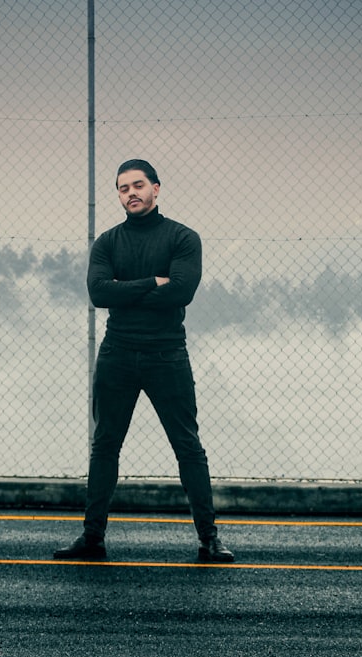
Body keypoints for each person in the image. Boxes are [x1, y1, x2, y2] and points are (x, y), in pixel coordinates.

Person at [55, 159, 234, 563]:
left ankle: (210, 540)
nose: (131, 193)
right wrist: (153, 281)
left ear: (156, 188)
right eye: (123, 188)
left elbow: (181, 292)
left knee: (187, 447)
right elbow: (99, 294)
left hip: (167, 354)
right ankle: (92, 539)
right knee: (105, 446)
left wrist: (125, 289)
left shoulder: (183, 238)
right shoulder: (107, 242)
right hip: (117, 354)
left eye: (138, 185)